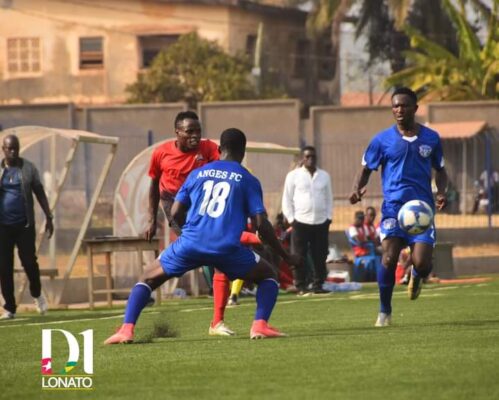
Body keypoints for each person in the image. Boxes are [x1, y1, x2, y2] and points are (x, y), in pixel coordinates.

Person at [104, 128, 301, 344]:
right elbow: (261, 224)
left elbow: (175, 212)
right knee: (268, 275)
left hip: (191, 243)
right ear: (243, 151)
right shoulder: (248, 179)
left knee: (147, 277)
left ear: (219, 149)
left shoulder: (197, 173)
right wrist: (286, 255)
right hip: (226, 247)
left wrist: (191, 232)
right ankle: (259, 325)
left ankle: (126, 330)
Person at [349, 87, 448, 327]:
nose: (399, 110)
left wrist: (441, 191)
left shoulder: (431, 138)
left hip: (421, 210)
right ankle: (385, 311)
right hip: (393, 209)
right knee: (388, 257)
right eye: (395, 106)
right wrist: (356, 189)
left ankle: (416, 275)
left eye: (404, 105)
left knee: (422, 263)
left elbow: (441, 170)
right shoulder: (381, 140)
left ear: (415, 108)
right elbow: (366, 169)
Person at [144, 110, 234, 336]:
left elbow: (225, 166)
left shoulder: (208, 148)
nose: (195, 136)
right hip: (173, 204)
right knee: (199, 244)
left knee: (205, 245)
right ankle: (149, 282)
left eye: (198, 131)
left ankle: (215, 291)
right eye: (189, 131)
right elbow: (153, 186)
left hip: (200, 201)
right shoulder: (161, 153)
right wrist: (151, 219)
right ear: (177, 132)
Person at [0, 134, 53, 319]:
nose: (13, 152)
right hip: (3, 228)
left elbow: (39, 192)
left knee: (29, 262)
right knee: (4, 267)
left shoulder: (28, 168)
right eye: (9, 148)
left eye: (16, 148)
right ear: (3, 150)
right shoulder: (1, 170)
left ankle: (37, 294)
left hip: (24, 225)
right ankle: (10, 308)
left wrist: (49, 216)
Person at [282, 146, 333, 295]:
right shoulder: (293, 176)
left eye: (313, 156)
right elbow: (287, 199)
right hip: (300, 222)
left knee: (320, 254)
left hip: (321, 222)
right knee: (299, 255)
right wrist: (291, 219)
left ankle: (318, 284)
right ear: (302, 159)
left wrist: (329, 217)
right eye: (307, 156)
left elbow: (329, 198)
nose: (310, 159)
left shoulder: (324, 176)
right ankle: (300, 285)